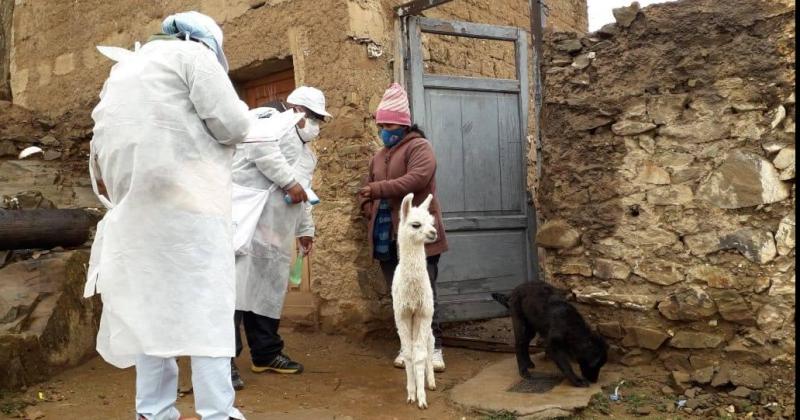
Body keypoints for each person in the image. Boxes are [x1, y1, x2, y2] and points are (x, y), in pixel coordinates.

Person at [85, 11, 253, 420]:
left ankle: (153, 411)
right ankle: (216, 412)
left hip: (138, 213)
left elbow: (101, 147)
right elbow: (233, 125)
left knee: (151, 311)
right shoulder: (193, 58)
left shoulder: (122, 71)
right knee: (208, 308)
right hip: (192, 212)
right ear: (206, 42)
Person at [231, 86, 330, 388]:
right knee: (233, 295)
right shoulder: (267, 120)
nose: (314, 125)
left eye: (318, 120)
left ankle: (266, 354)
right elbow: (260, 149)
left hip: (274, 231)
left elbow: (304, 193)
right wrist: (289, 183)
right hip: (243, 225)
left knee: (265, 293)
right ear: (295, 111)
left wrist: (305, 230)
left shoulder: (307, 156)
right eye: (311, 117)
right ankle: (222, 362)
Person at [358, 83, 449, 372]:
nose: (383, 129)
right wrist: (367, 207)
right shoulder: (378, 155)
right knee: (400, 295)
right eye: (381, 124)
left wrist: (376, 190)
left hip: (417, 237)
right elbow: (367, 189)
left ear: (401, 124)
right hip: (386, 235)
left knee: (423, 293)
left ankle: (433, 350)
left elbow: (416, 180)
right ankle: (407, 347)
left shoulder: (419, 147)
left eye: (388, 124)